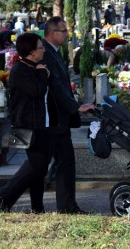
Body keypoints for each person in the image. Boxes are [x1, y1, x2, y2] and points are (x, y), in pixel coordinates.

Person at [0, 33, 52, 213]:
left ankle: (37, 207)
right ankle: (2, 198)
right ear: (32, 51)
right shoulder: (20, 70)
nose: (43, 51)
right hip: (27, 124)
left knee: (39, 168)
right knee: (36, 167)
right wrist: (42, 73)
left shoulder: (33, 67)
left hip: (40, 123)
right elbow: (37, 91)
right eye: (41, 47)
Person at [40, 17, 95, 214]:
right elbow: (55, 86)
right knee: (38, 167)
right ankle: (3, 197)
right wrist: (75, 107)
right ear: (52, 33)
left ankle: (67, 206)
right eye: (63, 31)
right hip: (53, 118)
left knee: (64, 162)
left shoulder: (54, 52)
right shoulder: (46, 53)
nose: (67, 34)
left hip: (58, 118)